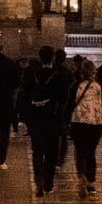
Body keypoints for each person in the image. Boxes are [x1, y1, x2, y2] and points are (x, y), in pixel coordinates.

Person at [21, 45, 69, 196]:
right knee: (51, 152)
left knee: (37, 151)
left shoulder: (32, 76)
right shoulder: (58, 76)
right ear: (52, 58)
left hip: (35, 119)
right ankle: (48, 183)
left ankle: (38, 180)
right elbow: (64, 98)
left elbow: (24, 97)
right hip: (53, 119)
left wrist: (26, 118)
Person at [69, 59, 102, 196]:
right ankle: (91, 183)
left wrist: (64, 122)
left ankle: (81, 175)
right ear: (94, 72)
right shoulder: (99, 87)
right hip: (95, 123)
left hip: (78, 123)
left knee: (80, 151)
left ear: (81, 72)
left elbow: (69, 106)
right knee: (91, 153)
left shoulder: (75, 86)